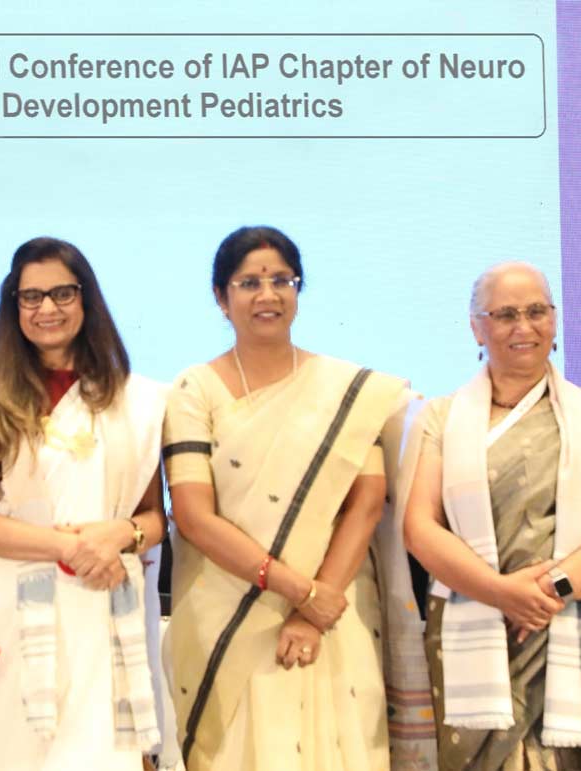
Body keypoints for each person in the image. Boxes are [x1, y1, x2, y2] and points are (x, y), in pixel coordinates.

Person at [162, 225, 428, 771]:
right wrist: (296, 589)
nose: (268, 294)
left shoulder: (346, 390)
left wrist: (315, 607)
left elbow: (366, 498)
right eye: (249, 282)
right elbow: (192, 514)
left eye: (282, 279)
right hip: (230, 614)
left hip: (333, 613)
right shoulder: (195, 390)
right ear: (221, 297)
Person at [0, 236, 167, 771]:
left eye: (62, 293)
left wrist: (117, 538)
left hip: (104, 599)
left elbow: (152, 518)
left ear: (86, 300)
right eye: (31, 297)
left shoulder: (135, 398)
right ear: (14, 306)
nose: (47, 308)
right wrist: (72, 545)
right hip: (13, 607)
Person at [403, 262, 581, 770]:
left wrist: (551, 589)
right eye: (506, 314)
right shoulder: (442, 419)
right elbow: (420, 526)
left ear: (555, 320)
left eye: (537, 311)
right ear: (477, 326)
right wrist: (503, 593)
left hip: (572, 619)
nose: (524, 327)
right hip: (475, 621)